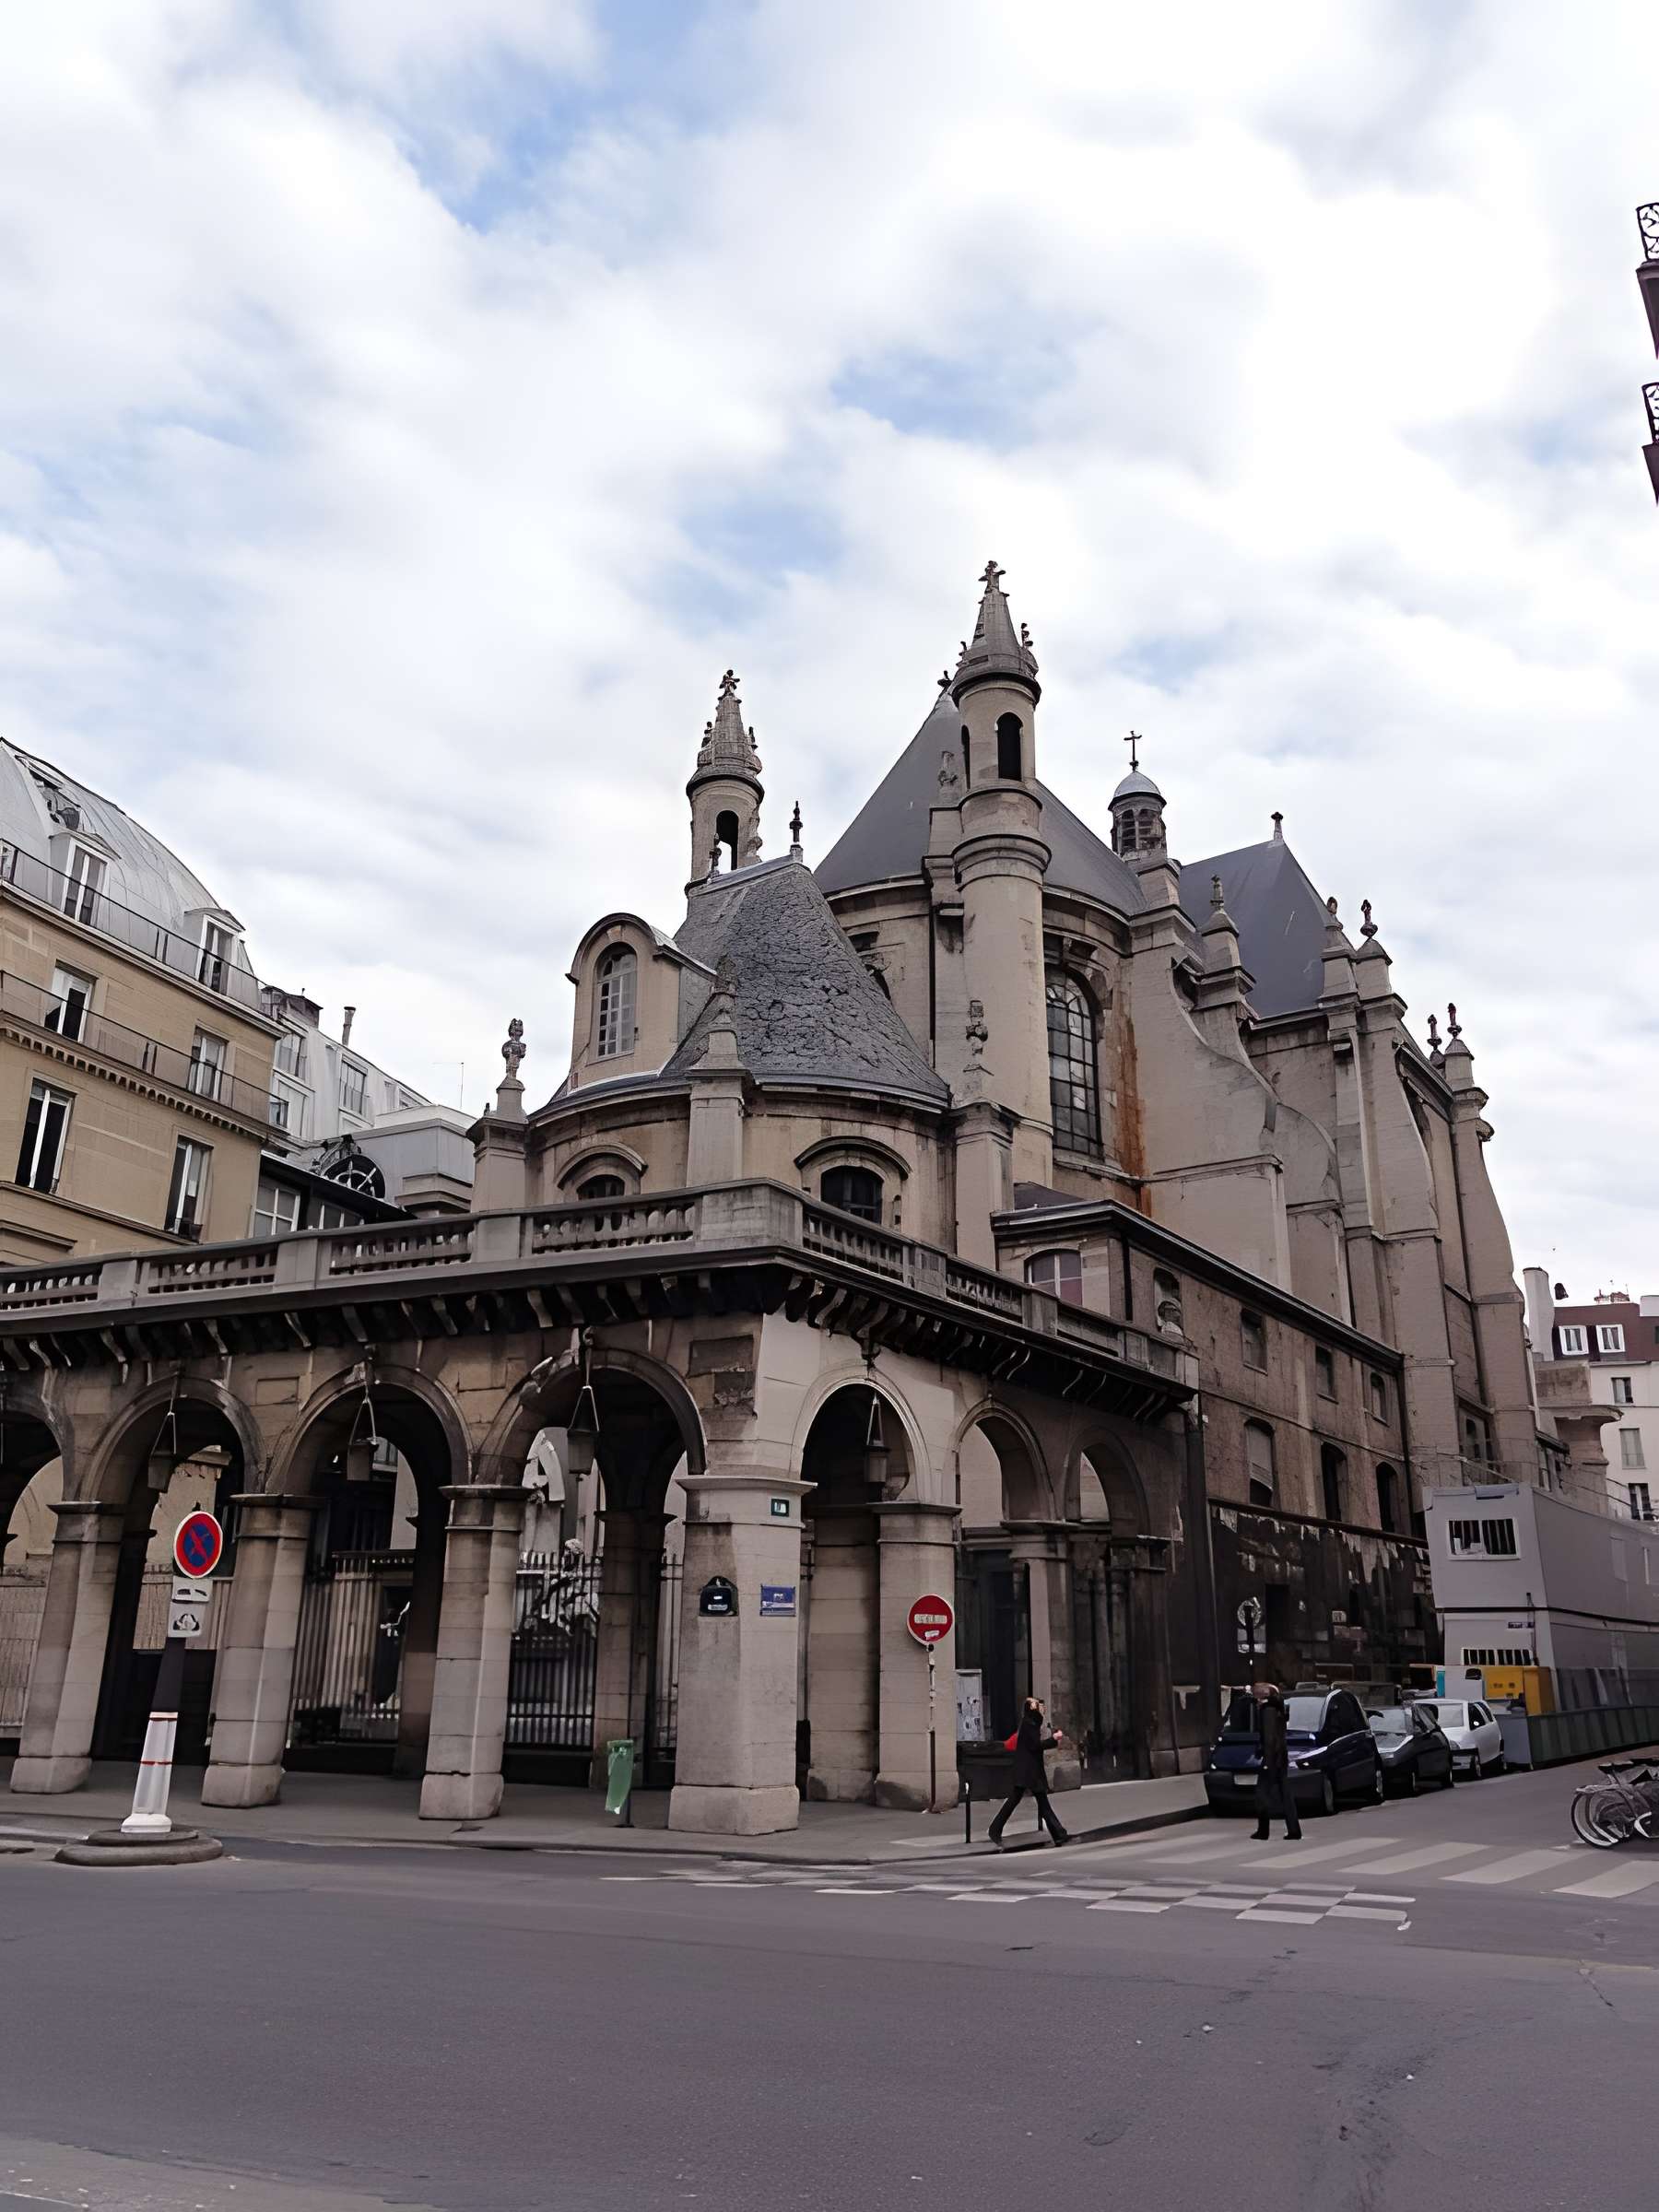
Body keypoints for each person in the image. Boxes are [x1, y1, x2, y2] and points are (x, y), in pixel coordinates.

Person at [987, 1696, 1071, 1848]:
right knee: (1039, 1803)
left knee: (1020, 1800)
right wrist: (1053, 1739)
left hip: (1028, 1770)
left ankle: (995, 1829)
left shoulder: (1029, 1723)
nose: (1042, 1711)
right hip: (1029, 1771)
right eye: (1039, 1708)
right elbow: (1035, 1746)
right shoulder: (1029, 1724)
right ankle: (1059, 1835)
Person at [1252, 1679, 1301, 1842]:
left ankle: (1263, 1830)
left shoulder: (1268, 1711)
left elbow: (1270, 1738)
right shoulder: (1279, 1709)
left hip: (1272, 1759)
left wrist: (1266, 1760)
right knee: (1285, 1795)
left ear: (1263, 1697)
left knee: (1261, 1795)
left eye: (1257, 1697)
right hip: (1281, 1757)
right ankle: (1294, 1830)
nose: (1256, 1701)